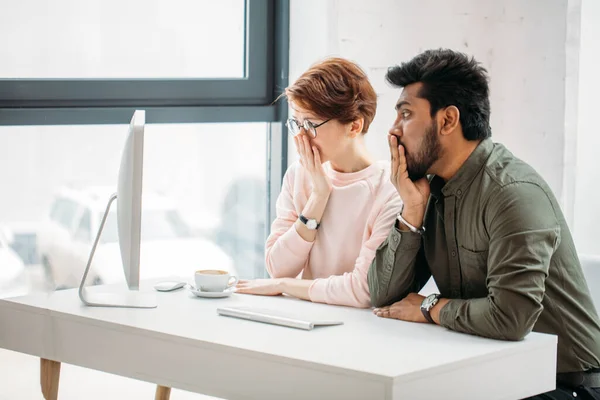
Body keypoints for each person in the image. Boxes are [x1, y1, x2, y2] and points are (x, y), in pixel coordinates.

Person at [367, 48, 600, 398]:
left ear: (447, 121)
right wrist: (412, 212)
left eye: (405, 114)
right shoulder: (429, 191)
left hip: (564, 385)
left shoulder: (513, 192)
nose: (393, 130)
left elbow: (510, 318)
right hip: (493, 370)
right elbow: (384, 295)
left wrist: (431, 307)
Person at [235, 57, 402, 308]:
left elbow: (363, 290)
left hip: (363, 332)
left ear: (354, 126)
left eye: (311, 124)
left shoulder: (390, 189)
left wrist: (284, 287)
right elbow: (278, 268)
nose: (301, 136)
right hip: (304, 322)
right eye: (297, 123)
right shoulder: (299, 175)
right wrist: (318, 196)